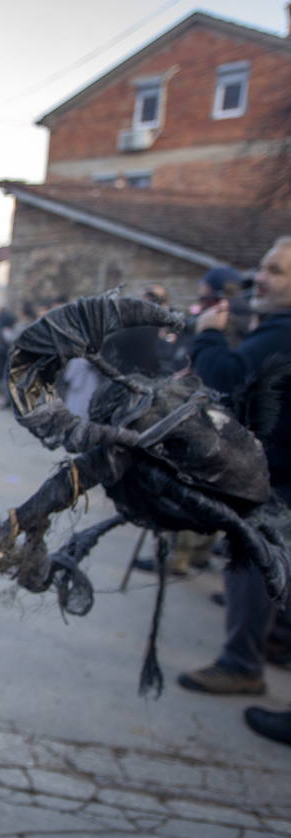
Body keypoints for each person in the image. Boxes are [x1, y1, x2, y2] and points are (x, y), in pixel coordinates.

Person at [179, 238, 291, 695]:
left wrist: (208, 333)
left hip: (277, 476)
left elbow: (226, 380)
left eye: (276, 271)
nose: (259, 278)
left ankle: (241, 663)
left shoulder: (283, 331)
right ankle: (276, 640)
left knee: (253, 560)